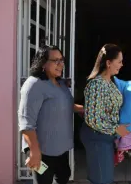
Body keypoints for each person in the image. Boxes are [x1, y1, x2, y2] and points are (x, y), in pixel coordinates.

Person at [18, 45, 84, 184]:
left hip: (61, 149)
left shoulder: (60, 83)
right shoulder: (34, 85)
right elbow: (26, 122)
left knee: (64, 177)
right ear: (43, 63)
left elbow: (65, 105)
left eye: (62, 60)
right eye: (55, 60)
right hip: (42, 151)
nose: (60, 64)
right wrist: (34, 152)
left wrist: (84, 110)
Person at [80, 44, 130, 184]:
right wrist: (116, 129)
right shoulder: (96, 85)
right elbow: (93, 119)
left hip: (105, 138)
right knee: (101, 179)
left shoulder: (111, 83)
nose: (122, 64)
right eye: (119, 61)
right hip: (97, 138)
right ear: (108, 63)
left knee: (104, 177)